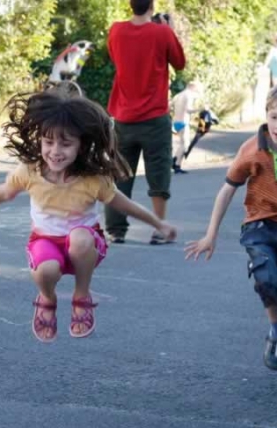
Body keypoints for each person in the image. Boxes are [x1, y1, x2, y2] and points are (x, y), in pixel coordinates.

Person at [0, 86, 177, 342]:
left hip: (85, 245)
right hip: (45, 240)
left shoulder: (92, 180)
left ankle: (81, 294)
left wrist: (158, 223)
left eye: (66, 144)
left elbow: (124, 204)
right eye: (48, 142)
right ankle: (47, 297)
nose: (55, 151)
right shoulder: (30, 171)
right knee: (46, 270)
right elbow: (6, 191)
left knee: (80, 237)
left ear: (81, 145)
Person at [185, 80, 277, 371]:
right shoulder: (252, 150)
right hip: (258, 226)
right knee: (266, 277)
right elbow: (227, 189)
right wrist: (210, 235)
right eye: (273, 116)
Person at [104, 0, 186, 245]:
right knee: (158, 174)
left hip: (124, 116)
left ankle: (115, 229)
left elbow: (115, 57)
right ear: (152, 5)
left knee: (120, 172)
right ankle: (159, 229)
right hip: (154, 117)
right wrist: (168, 29)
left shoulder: (116, 30)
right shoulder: (161, 32)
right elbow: (180, 63)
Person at [171, 81, 204, 174]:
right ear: (193, 87)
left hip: (176, 121)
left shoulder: (178, 95)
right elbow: (188, 109)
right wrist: (200, 109)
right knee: (185, 144)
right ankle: (176, 164)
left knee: (182, 143)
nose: (198, 91)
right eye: (197, 89)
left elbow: (169, 106)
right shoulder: (188, 95)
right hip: (183, 122)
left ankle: (175, 161)